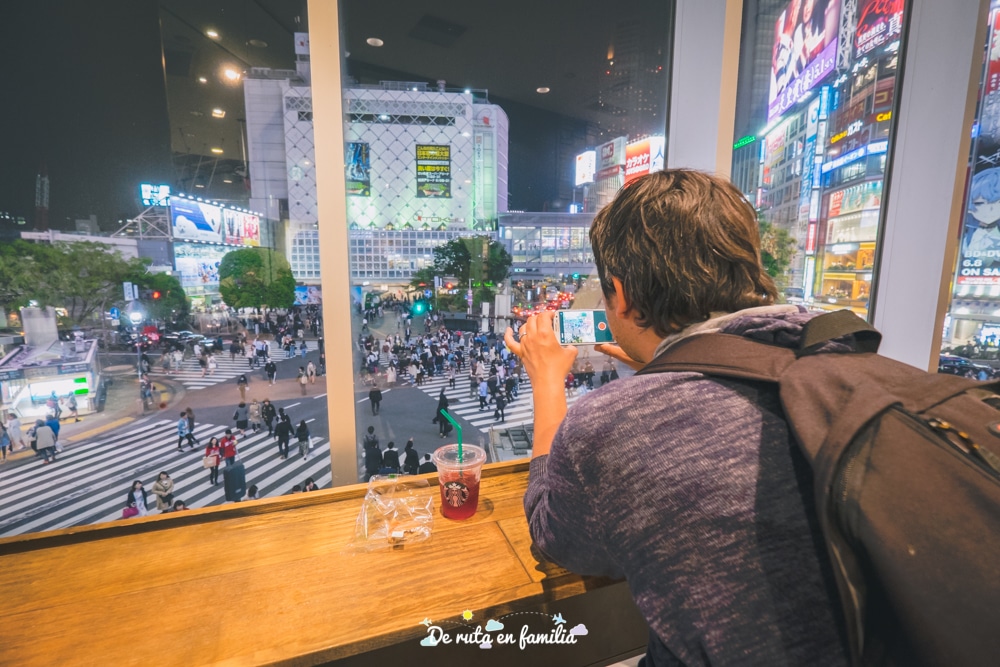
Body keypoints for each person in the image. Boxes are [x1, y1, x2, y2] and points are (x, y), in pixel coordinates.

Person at [506, 169, 849, 665]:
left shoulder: (614, 425)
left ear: (621, 295)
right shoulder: (840, 358)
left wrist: (545, 381)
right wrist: (663, 364)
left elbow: (555, 536)